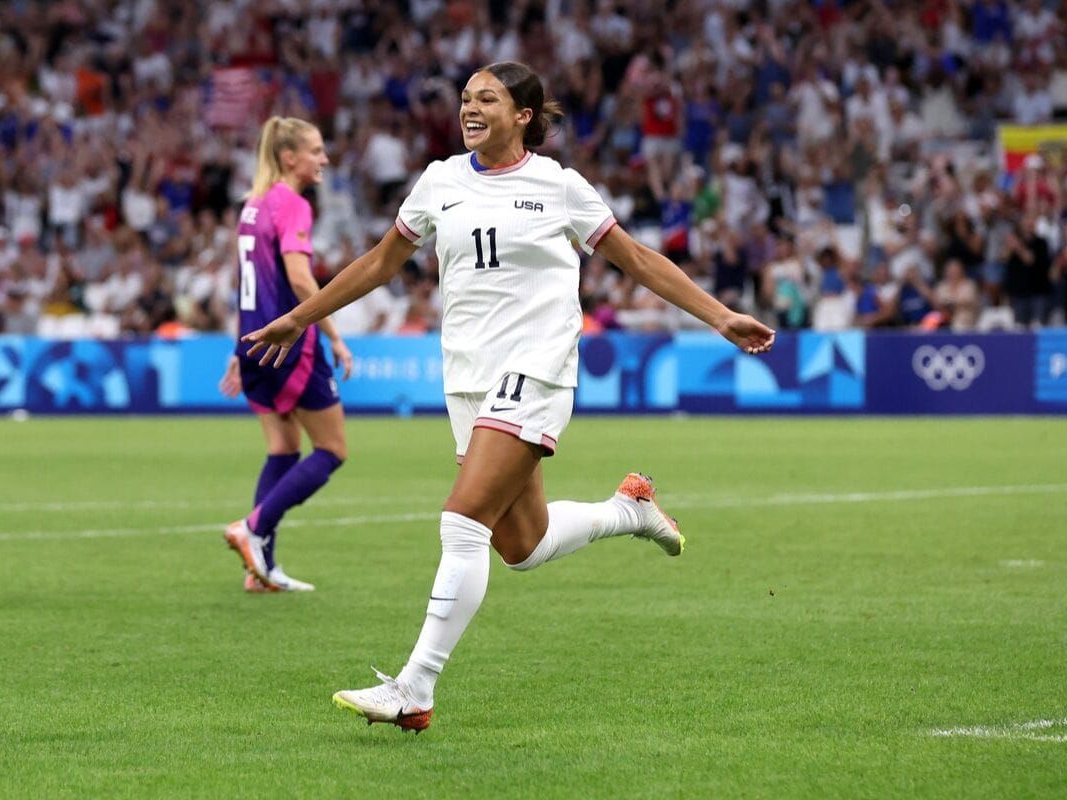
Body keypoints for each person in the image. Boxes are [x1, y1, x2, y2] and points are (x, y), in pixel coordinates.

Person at [243, 63, 774, 731]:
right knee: (523, 544)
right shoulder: (440, 181)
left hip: (537, 367)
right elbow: (380, 262)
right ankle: (628, 510)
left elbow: (637, 259)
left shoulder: (559, 186)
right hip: (468, 376)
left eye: (486, 99)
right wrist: (301, 317)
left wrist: (719, 316)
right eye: (465, 98)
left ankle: (414, 688)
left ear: (523, 115)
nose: (469, 108)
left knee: (462, 521)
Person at [218, 117, 354, 594]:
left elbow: (248, 284)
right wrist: (334, 335)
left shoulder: (253, 205)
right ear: (290, 157)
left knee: (283, 448)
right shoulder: (292, 204)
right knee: (332, 450)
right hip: (288, 345)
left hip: (254, 343)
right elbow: (298, 279)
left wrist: (239, 348)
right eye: (316, 151)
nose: (324, 159)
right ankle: (253, 529)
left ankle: (261, 569)